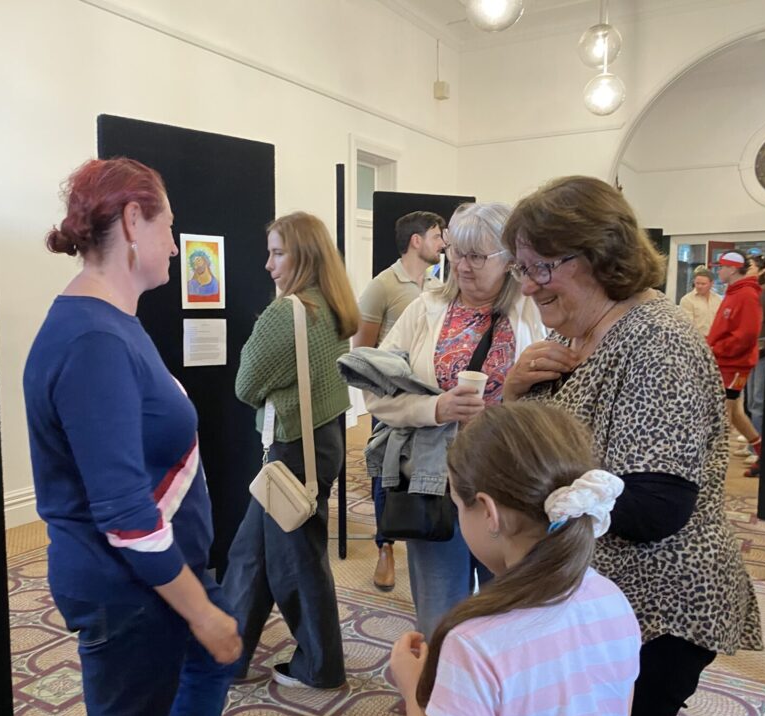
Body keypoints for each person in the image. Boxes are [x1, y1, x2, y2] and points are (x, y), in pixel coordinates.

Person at [501, 175, 762, 716]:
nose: (529, 285)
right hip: (609, 600)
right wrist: (516, 391)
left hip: (658, 607)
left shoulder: (656, 341)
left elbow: (655, 506)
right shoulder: (583, 332)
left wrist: (528, 495)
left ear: (600, 256)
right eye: (522, 269)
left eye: (542, 268)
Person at [23, 157, 242, 716]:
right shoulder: (94, 340)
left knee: (211, 665)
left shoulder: (111, 322)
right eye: (168, 226)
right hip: (126, 586)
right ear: (132, 220)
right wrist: (199, 612)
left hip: (159, 572)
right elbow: (124, 514)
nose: (174, 245)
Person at [390, 401, 641, 716]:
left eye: (458, 505)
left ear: (488, 512)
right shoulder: (612, 599)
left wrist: (415, 695)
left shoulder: (474, 645)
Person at [363, 201, 547, 638]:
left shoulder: (535, 312)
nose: (462, 266)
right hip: (437, 482)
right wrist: (435, 409)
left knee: (508, 614)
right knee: (440, 616)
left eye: (477, 256)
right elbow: (374, 389)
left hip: (509, 484)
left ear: (509, 259)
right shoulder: (424, 309)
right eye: (457, 253)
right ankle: (438, 681)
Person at [222, 211, 359, 689]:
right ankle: (226, 656)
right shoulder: (334, 306)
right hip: (322, 441)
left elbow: (244, 385)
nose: (268, 265)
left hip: (292, 450)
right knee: (251, 554)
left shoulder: (287, 313)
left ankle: (321, 667)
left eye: (278, 253)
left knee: (297, 561)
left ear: (304, 256)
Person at [352, 210, 446, 592]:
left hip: (432, 404)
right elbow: (362, 351)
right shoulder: (382, 286)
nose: (443, 244)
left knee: (423, 471)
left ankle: (423, 534)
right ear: (416, 241)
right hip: (392, 403)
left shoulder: (439, 286)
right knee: (386, 476)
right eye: (437, 235)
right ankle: (385, 548)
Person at [707, 250, 763, 473]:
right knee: (736, 413)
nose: (718, 271)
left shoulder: (746, 295)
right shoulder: (734, 293)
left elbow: (746, 335)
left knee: (723, 417)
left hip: (734, 365)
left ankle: (714, 466)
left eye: (721, 267)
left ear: (732, 269)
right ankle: (762, 453)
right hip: (725, 362)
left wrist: (717, 349)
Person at [743, 250, 765, 477]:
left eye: (750, 267)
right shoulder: (749, 291)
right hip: (752, 350)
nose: (747, 270)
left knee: (757, 401)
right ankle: (752, 442)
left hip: (762, 351)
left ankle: (757, 448)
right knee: (750, 401)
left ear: (761, 271)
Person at [678, 265, 721, 336]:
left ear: (711, 284)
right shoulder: (687, 300)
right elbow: (688, 326)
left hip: (716, 338)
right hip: (697, 339)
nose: (699, 286)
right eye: (697, 283)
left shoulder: (718, 299)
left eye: (703, 284)